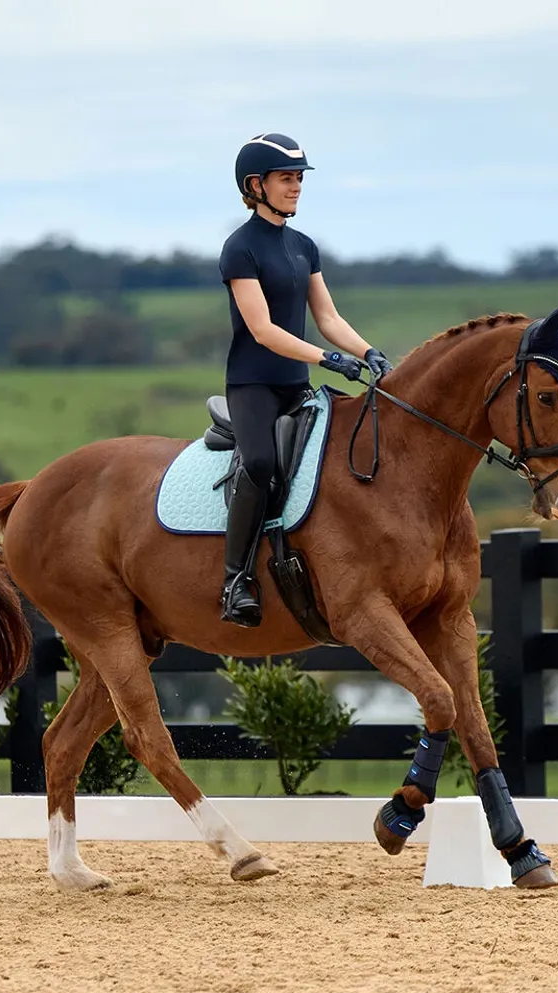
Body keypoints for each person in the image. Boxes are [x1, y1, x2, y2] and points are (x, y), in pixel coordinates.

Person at [218, 132, 393, 628]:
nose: (296, 188)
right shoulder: (240, 249)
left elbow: (329, 317)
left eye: (298, 179)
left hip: (296, 386)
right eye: (286, 179)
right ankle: (236, 581)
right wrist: (325, 359)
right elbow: (263, 329)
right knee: (259, 462)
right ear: (256, 185)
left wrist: (366, 351)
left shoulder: (302, 246)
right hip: (254, 386)